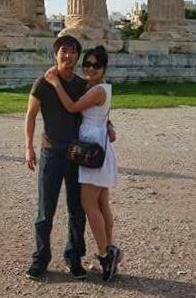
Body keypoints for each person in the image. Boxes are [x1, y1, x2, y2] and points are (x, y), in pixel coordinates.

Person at [24, 34, 116, 281]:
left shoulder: (80, 84)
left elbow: (94, 108)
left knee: (77, 211)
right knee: (46, 210)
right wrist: (28, 147)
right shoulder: (42, 83)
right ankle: (40, 259)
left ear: (77, 56)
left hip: (77, 155)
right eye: (63, 51)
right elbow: (31, 115)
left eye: (73, 52)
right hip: (51, 152)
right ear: (55, 54)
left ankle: (74, 258)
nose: (68, 56)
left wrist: (109, 125)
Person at [44, 45, 122, 282]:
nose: (89, 68)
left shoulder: (98, 89)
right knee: (101, 202)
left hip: (92, 152)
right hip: (95, 147)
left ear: (104, 67)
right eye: (86, 64)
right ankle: (110, 248)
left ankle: (104, 254)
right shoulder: (94, 87)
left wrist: (55, 82)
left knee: (89, 204)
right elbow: (98, 113)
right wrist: (108, 124)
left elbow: (72, 107)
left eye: (95, 65)